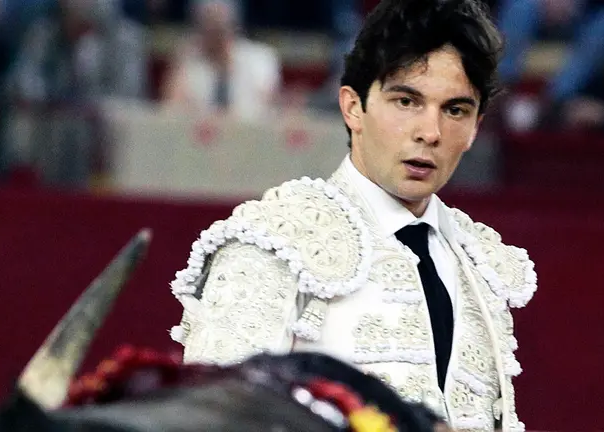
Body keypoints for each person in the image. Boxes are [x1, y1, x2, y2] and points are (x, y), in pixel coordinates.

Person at [170, 1, 537, 431]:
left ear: (475, 127)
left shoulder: (481, 264)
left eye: (455, 110)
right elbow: (210, 421)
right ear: (352, 108)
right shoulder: (275, 239)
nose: (430, 132)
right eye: (406, 101)